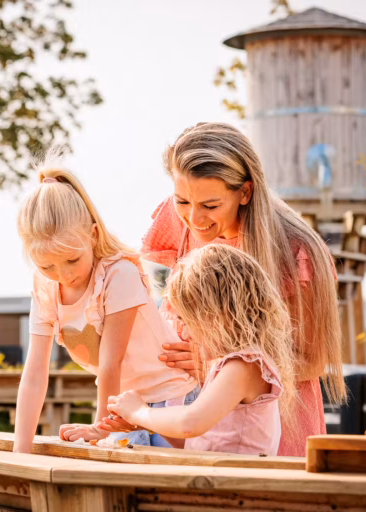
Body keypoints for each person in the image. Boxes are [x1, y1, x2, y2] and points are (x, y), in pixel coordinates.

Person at [138, 122, 346, 456]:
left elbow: (312, 361)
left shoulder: (294, 251)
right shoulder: (183, 219)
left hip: (270, 435)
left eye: (210, 205)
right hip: (192, 431)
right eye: (181, 201)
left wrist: (214, 362)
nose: (194, 218)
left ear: (245, 192)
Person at [12, 153, 197, 453]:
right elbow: (34, 375)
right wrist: (21, 450)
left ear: (93, 236)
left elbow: (112, 364)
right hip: (125, 406)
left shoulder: (117, 273)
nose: (64, 275)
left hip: (170, 398)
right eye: (47, 266)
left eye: (72, 259)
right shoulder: (45, 288)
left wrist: (98, 431)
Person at [105, 245, 297, 455]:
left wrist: (139, 411)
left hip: (235, 485)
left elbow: (190, 423)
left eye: (187, 321)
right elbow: (196, 442)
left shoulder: (245, 365)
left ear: (219, 314)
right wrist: (145, 423)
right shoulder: (229, 367)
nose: (185, 334)